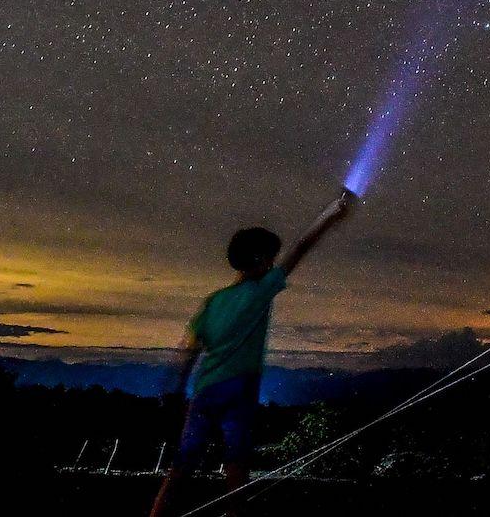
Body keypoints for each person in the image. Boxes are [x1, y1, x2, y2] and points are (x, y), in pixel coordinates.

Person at [148, 190, 356, 516]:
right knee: (237, 468)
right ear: (259, 261)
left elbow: (187, 352)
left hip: (205, 391)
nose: (273, 262)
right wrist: (332, 213)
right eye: (269, 258)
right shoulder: (260, 291)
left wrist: (173, 388)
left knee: (181, 468)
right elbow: (300, 248)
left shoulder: (214, 301)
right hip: (240, 390)